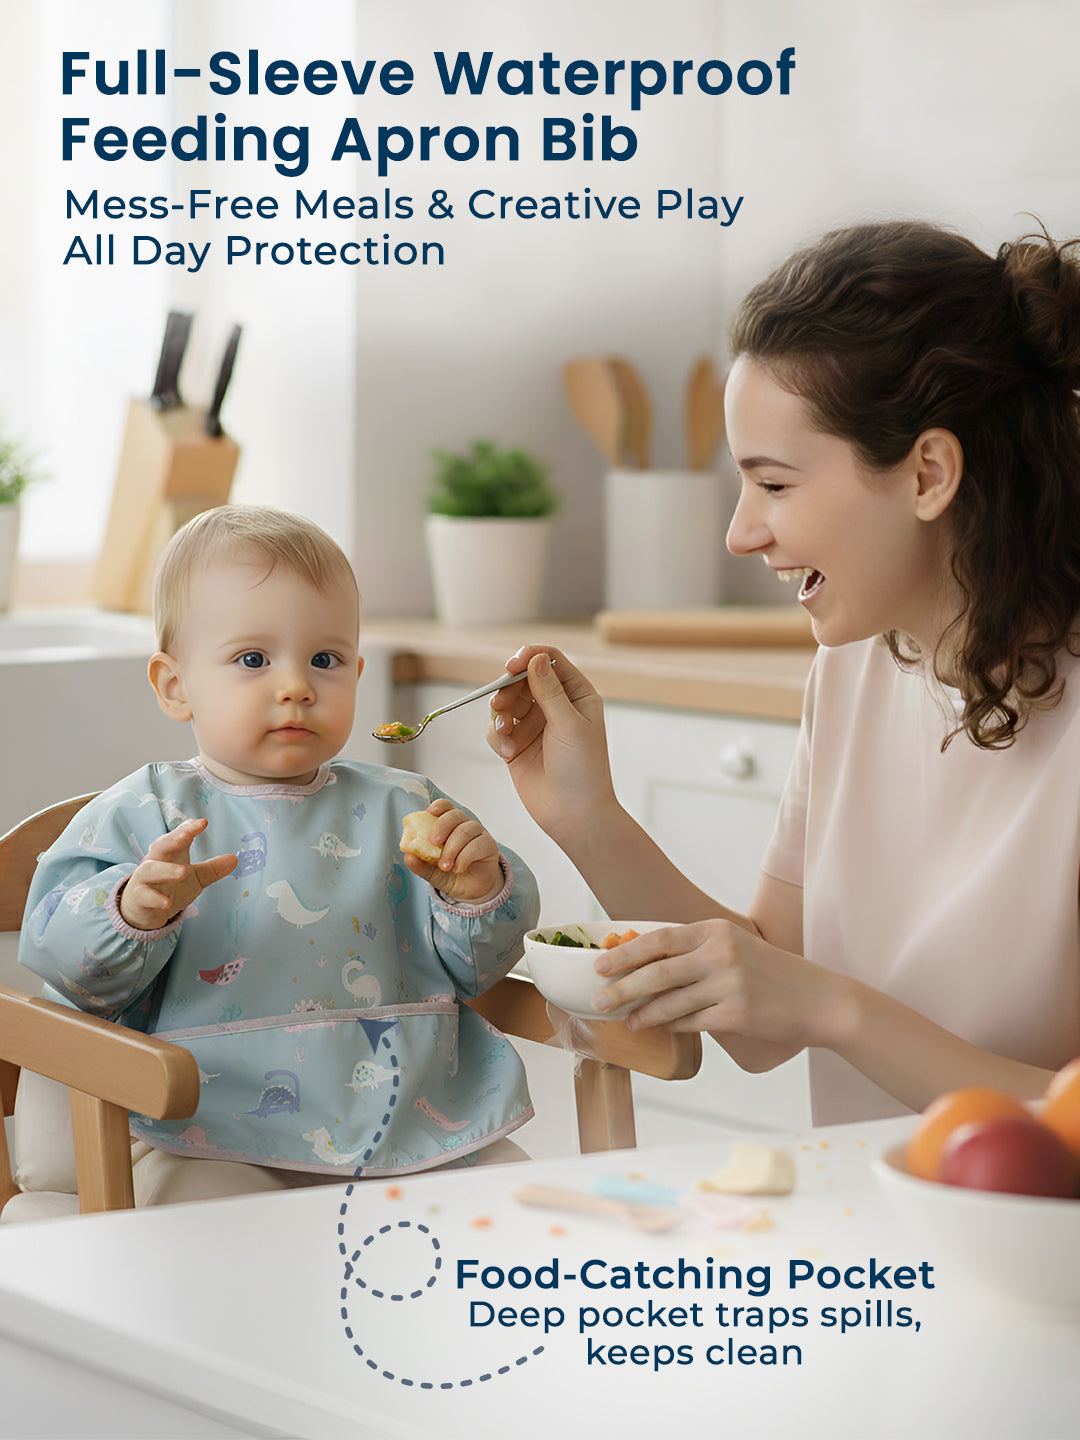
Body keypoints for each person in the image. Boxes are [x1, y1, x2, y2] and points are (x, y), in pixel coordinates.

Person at [488, 219, 1080, 1125]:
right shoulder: (853, 671)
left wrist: (839, 1010)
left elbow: (808, 1002)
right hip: (861, 1203)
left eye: (773, 484)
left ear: (928, 473)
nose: (740, 532)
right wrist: (587, 816)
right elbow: (764, 1017)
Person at [19, 505, 539, 1202]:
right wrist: (131, 911)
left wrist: (476, 893)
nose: (296, 685)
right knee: (207, 1224)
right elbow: (63, 958)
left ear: (356, 673)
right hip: (210, 1130)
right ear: (175, 685)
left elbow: (478, 967)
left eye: (325, 660)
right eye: (253, 660)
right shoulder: (145, 814)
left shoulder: (406, 804)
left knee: (522, 1204)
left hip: (412, 1124)